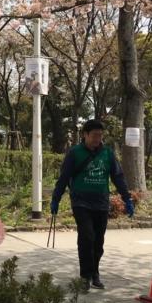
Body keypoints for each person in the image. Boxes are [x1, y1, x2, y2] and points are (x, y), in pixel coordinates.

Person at [50, 119, 134, 291]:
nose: (98, 139)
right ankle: (85, 276)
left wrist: (127, 198)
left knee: (98, 242)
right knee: (86, 237)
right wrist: (55, 199)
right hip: (81, 202)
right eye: (94, 135)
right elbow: (64, 178)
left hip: (101, 202)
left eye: (100, 136)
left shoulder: (107, 154)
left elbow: (118, 177)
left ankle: (95, 272)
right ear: (85, 135)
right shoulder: (75, 153)